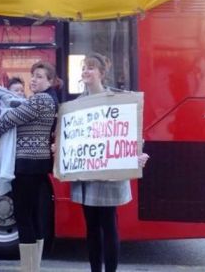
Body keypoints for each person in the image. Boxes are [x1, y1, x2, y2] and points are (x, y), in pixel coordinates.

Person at [69, 53, 149, 272]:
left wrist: (136, 155)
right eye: (84, 67)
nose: (85, 71)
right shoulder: (76, 104)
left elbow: (128, 132)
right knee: (92, 228)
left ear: (102, 73)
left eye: (91, 68)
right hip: (87, 175)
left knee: (109, 226)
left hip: (109, 176)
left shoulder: (117, 100)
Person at [0, 61, 61, 272]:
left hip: (26, 164)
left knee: (23, 216)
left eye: (40, 76)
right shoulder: (50, 99)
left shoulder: (40, 100)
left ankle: (27, 268)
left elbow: (5, 122)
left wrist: (1, 117)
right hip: (39, 165)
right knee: (34, 216)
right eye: (33, 75)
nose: (34, 80)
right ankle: (33, 267)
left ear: (50, 81)